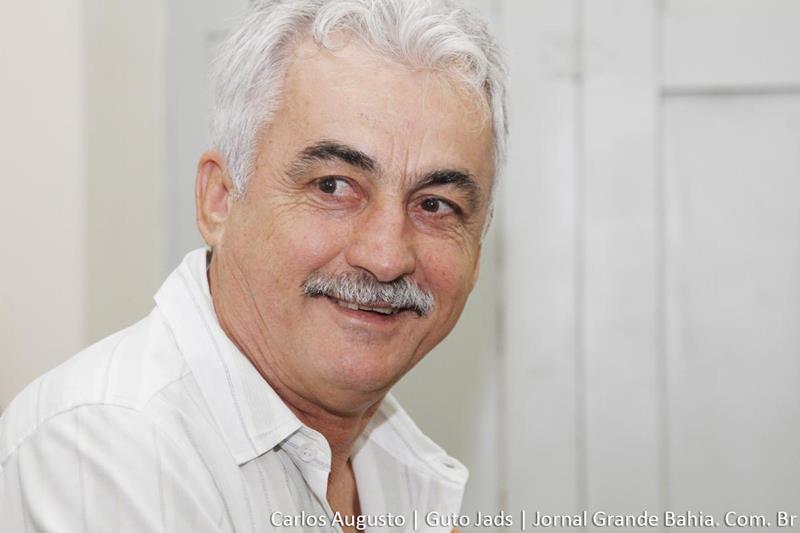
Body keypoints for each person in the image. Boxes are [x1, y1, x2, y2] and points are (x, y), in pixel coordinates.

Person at [0, 0, 507, 531]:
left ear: (477, 250)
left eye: (435, 205)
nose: (386, 257)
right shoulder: (106, 450)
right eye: (333, 186)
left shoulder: (396, 464)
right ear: (219, 200)